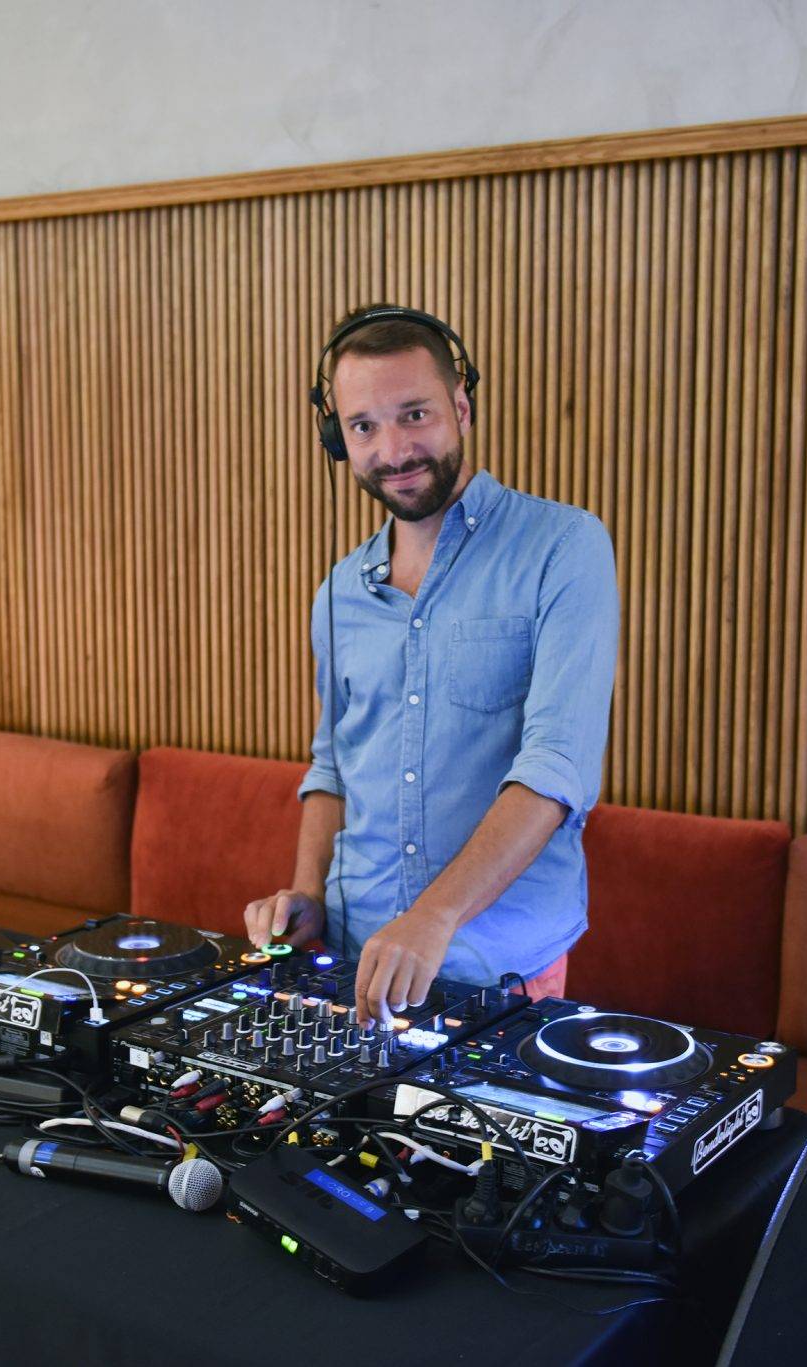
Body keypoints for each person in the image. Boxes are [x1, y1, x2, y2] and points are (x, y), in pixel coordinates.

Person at [242, 305, 619, 1026]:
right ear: (337, 437)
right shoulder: (337, 592)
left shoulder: (565, 548)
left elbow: (557, 766)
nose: (393, 448)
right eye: (363, 427)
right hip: (352, 971)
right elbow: (332, 769)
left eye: (414, 413)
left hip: (499, 973)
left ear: (462, 406)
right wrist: (307, 899)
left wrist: (433, 917)